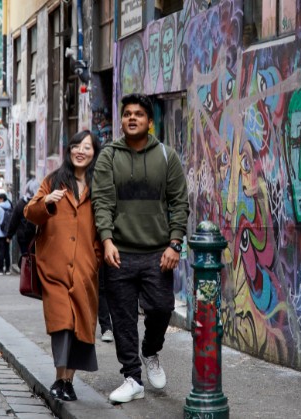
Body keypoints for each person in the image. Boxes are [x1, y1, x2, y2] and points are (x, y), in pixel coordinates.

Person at [92, 93, 189, 403]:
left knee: (162, 308)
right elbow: (103, 202)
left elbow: (179, 202)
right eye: (127, 114)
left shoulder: (165, 156)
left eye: (138, 114)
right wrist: (107, 239)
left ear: (149, 122)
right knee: (122, 318)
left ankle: (150, 350)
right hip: (119, 251)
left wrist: (175, 244)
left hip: (158, 252)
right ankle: (132, 377)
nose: (131, 118)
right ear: (122, 120)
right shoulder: (109, 155)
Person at [24, 130, 102, 401]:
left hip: (84, 268)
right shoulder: (53, 181)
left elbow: (106, 222)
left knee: (80, 324)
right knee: (62, 322)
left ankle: (68, 381)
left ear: (95, 152)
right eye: (77, 145)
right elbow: (30, 213)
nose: (81, 151)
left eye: (88, 147)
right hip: (53, 267)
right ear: (69, 151)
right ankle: (60, 378)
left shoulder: (100, 185)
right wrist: (46, 202)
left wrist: (96, 258)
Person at [5, 178, 40, 268]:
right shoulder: (40, 203)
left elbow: (14, 220)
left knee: (26, 257)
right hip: (36, 237)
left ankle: (27, 274)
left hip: (23, 237)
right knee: (35, 257)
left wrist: (9, 235)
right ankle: (33, 275)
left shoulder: (21, 203)